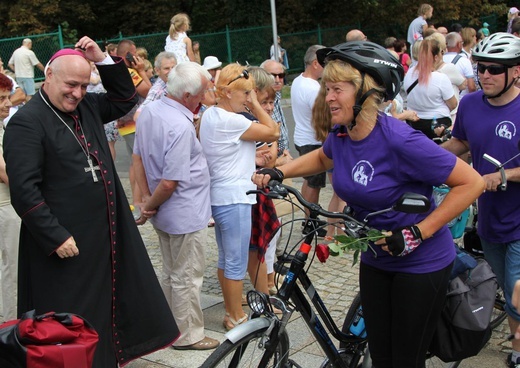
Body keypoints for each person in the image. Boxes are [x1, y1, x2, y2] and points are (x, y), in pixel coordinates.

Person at [253, 40, 485, 367]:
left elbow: (471, 183)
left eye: (337, 89)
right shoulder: (344, 133)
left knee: (405, 359)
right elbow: (323, 156)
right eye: (326, 88)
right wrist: (279, 170)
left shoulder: (401, 140)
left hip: (420, 264)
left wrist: (417, 232)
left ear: (365, 92)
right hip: (376, 257)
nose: (328, 97)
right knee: (381, 353)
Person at [3, 38, 179, 367]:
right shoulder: (27, 121)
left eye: (85, 85)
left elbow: (125, 98)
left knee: (105, 309)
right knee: (69, 321)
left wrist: (102, 59)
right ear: (49, 74)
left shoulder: (87, 107)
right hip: (64, 245)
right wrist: (55, 236)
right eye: (71, 84)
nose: (78, 93)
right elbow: (24, 190)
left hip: (103, 237)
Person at [442, 32, 520, 368]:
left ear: (515, 71)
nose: (484, 74)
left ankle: (518, 351)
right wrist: (421, 160)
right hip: (489, 217)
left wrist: (503, 175)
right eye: (481, 67)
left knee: (517, 292)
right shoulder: (470, 104)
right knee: (504, 282)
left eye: (494, 69)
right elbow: (459, 144)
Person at [133, 62, 219, 351]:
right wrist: (149, 206)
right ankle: (187, 336)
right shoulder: (179, 125)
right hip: (183, 211)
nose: (208, 93)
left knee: (172, 272)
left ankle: (170, 327)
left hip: (169, 212)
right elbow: (170, 182)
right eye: (204, 91)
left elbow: (139, 158)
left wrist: (146, 200)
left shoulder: (150, 111)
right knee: (187, 276)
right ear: (186, 95)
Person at [199, 64, 279, 331]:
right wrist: (256, 104)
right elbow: (273, 131)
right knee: (235, 259)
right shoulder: (233, 120)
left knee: (226, 258)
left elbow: (228, 151)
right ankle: (235, 317)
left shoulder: (211, 114)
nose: (248, 98)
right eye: (244, 93)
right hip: (235, 197)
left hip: (221, 196)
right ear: (226, 91)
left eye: (250, 93)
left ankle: (231, 309)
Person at [291, 45, 327, 225]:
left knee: (309, 180)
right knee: (315, 183)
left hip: (302, 137)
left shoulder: (298, 80)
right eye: (324, 63)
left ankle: (308, 217)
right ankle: (311, 220)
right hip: (313, 140)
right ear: (315, 63)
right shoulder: (313, 88)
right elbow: (322, 116)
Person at [403, 38, 458, 140]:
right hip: (438, 125)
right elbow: (453, 104)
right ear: (436, 57)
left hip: (414, 123)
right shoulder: (441, 78)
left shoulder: (409, 73)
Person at [0, 74, 20, 322]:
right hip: (6, 206)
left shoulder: (4, 125)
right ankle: (13, 327)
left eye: (7, 97)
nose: (8, 103)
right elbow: (6, 172)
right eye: (2, 99)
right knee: (13, 268)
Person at [260, 59, 292, 165]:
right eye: (273, 76)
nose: (277, 80)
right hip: (271, 162)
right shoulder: (257, 101)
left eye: (281, 75)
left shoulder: (277, 95)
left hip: (284, 157)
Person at [444, 32, 477, 97]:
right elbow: (471, 87)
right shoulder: (464, 61)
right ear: (458, 44)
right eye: (462, 43)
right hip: (461, 100)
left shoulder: (439, 60)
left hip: (444, 101)